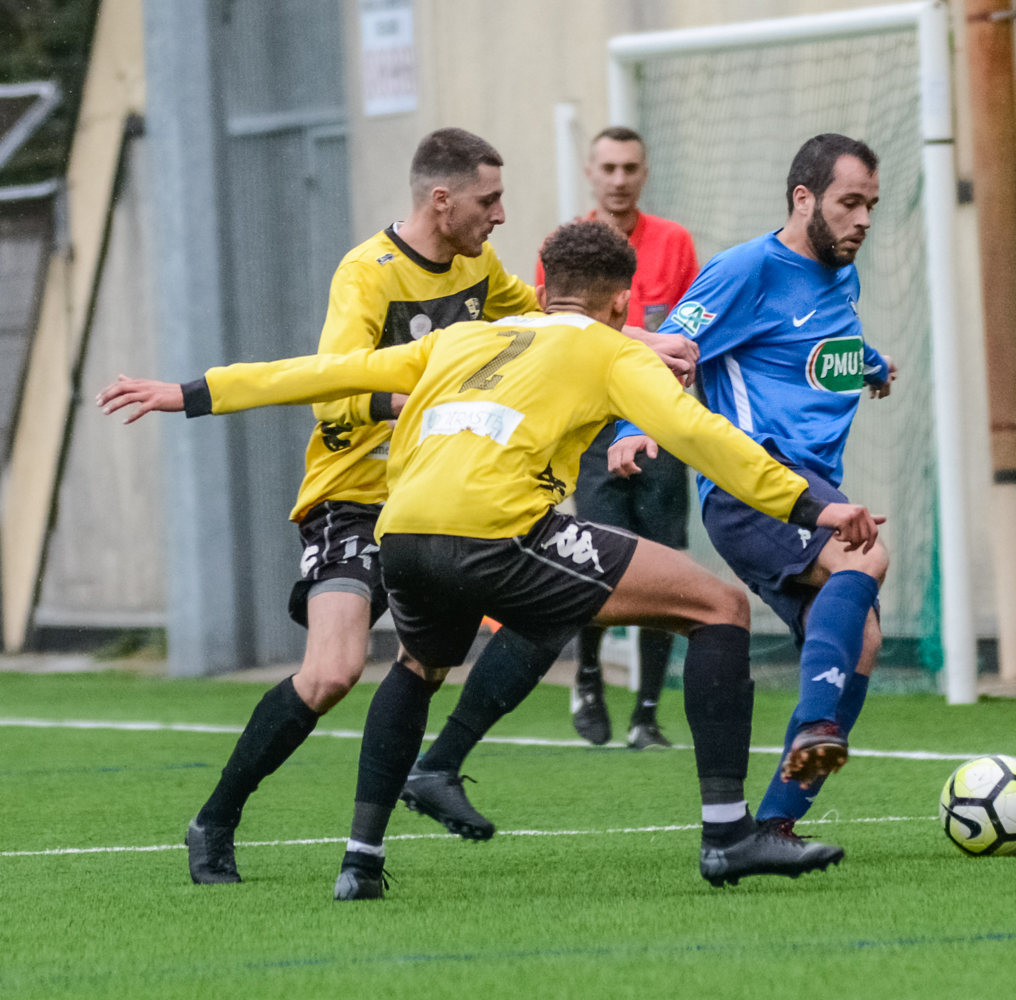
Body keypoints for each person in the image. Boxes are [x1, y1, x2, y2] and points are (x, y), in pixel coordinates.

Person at [98, 220, 883, 899]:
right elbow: (702, 435)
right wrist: (811, 507)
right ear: (622, 306)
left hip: (403, 534)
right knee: (718, 606)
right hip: (496, 533)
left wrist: (191, 392)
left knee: (423, 664)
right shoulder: (614, 353)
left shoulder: (461, 340)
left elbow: (320, 371)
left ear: (540, 292)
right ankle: (728, 835)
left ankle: (363, 858)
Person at [173, 127, 697, 886]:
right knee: (332, 673)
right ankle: (216, 819)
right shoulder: (366, 274)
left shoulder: (480, 265)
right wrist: (436, 395)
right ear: (443, 200)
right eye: (490, 200)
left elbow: (556, 327)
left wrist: (639, 342)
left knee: (528, 616)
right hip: (357, 494)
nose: (502, 215)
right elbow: (334, 392)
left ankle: (413, 796)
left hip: (449, 496)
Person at [611, 134, 897, 835]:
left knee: (861, 639)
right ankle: (818, 722)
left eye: (871, 205)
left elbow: (819, 339)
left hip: (806, 485)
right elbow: (667, 351)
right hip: (754, 480)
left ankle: (773, 827)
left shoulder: (841, 274)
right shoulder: (746, 270)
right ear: (804, 199)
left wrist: (872, 362)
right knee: (863, 554)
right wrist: (631, 428)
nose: (863, 219)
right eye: (849, 202)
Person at [533, 126, 700, 751]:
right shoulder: (563, 247)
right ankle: (589, 674)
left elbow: (690, 331)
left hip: (658, 424)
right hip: (592, 429)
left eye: (630, 166)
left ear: (645, 172)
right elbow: (547, 337)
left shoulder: (674, 242)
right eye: (609, 167)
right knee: (598, 557)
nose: (620, 178)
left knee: (665, 563)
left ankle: (647, 714)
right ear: (590, 173)